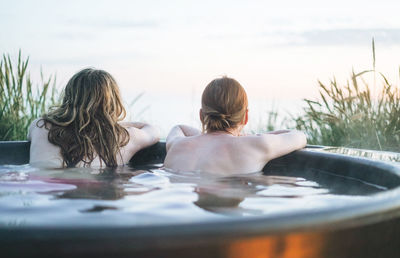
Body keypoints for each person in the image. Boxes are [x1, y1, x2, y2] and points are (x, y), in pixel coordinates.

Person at [164, 76, 306, 176]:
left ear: (201, 116)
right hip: (229, 212)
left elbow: (179, 128)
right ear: (245, 117)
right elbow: (299, 136)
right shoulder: (257, 144)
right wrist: (253, 136)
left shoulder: (176, 144)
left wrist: (203, 138)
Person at [28, 68, 159, 168]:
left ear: (69, 96)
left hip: (46, 188)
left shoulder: (40, 126)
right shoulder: (124, 137)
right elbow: (153, 131)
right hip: (97, 189)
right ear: (113, 101)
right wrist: (113, 124)